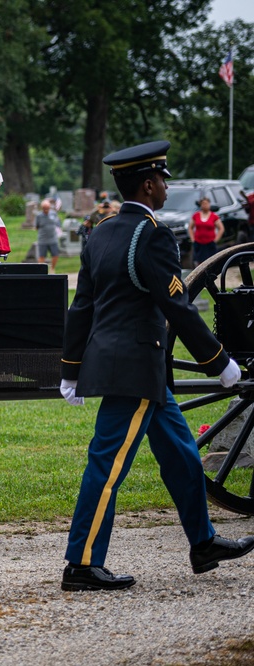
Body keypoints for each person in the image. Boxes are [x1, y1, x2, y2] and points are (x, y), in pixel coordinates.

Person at [58, 140, 254, 592]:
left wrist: (71, 368)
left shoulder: (102, 233)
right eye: (162, 179)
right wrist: (219, 362)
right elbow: (179, 306)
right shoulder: (153, 235)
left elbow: (81, 307)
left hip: (130, 367)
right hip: (135, 370)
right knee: (106, 466)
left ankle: (203, 543)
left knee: (183, 457)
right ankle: (82, 564)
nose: (166, 187)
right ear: (148, 185)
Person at [187, 195, 224, 266]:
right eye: (203, 204)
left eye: (206, 203)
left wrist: (216, 240)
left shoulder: (214, 216)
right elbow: (190, 228)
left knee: (211, 262)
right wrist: (193, 239)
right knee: (199, 263)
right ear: (200, 205)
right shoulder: (196, 215)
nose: (205, 205)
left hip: (210, 244)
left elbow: (221, 228)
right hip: (199, 243)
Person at [34, 199, 62, 273]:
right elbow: (36, 227)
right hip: (42, 239)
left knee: (55, 254)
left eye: (47, 208)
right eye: (44, 208)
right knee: (42, 256)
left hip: (53, 238)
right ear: (42, 208)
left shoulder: (53, 214)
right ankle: (42, 271)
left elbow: (58, 223)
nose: (46, 210)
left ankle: (52, 269)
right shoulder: (39, 216)